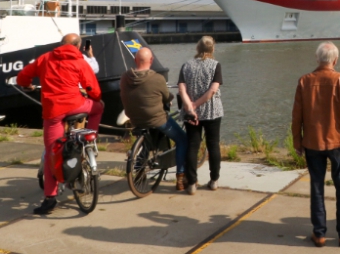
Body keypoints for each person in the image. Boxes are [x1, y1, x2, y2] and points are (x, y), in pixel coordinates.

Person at [17, 33, 103, 215]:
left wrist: (27, 85)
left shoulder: (45, 58)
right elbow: (93, 89)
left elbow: (23, 76)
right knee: (99, 107)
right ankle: (90, 136)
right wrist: (94, 98)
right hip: (76, 105)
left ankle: (50, 199)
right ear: (78, 46)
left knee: (52, 153)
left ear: (60, 44)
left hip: (53, 112)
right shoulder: (80, 61)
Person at [292, 42, 340, 247]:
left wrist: (297, 141)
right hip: (338, 142)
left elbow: (297, 115)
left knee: (316, 187)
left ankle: (320, 233)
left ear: (317, 59)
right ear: (335, 60)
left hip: (312, 142)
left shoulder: (304, 81)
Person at [120, 47, 190, 191]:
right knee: (183, 139)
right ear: (151, 61)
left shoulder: (125, 77)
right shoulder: (157, 78)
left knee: (145, 138)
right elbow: (166, 97)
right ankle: (181, 177)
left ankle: (139, 172)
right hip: (156, 119)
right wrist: (170, 98)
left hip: (135, 119)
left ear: (135, 60)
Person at [179, 36, 224, 195]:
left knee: (192, 146)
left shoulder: (186, 65)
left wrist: (190, 107)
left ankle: (191, 183)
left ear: (198, 48)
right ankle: (214, 181)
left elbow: (182, 89)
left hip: (192, 114)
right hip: (212, 112)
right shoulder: (215, 65)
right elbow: (213, 90)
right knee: (213, 144)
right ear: (212, 49)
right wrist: (197, 104)